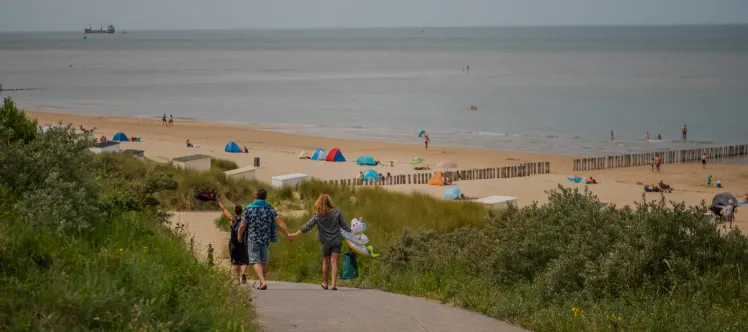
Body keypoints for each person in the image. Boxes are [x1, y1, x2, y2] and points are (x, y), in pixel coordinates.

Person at [288, 194, 352, 291]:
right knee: (334, 262)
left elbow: (307, 226)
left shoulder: (317, 215)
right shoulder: (337, 212)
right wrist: (354, 237)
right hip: (337, 240)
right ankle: (334, 284)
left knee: (326, 262)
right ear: (329, 201)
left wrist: (295, 234)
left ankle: (325, 283)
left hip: (325, 241)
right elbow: (345, 226)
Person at [238, 188, 290, 290]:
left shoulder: (248, 208)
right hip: (266, 239)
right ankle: (262, 281)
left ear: (255, 196)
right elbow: (279, 222)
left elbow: (242, 225)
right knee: (264, 261)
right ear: (265, 197)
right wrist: (287, 233)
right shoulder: (269, 208)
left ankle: (262, 281)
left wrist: (240, 235)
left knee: (256, 261)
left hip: (253, 239)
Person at [218, 200, 249, 283]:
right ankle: (243, 274)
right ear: (241, 211)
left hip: (233, 243)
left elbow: (224, 209)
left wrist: (218, 200)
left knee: (235, 262)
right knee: (244, 260)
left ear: (235, 211)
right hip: (242, 243)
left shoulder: (231, 219)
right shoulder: (245, 221)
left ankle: (236, 279)